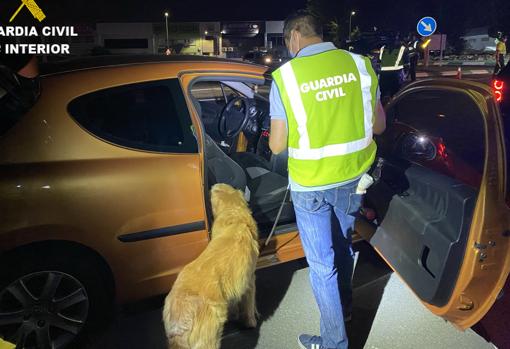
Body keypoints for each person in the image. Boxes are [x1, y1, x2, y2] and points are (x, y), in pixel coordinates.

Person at [268, 10, 386, 349]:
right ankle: (345, 311)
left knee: (322, 266)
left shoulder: (286, 77)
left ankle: (335, 343)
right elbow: (379, 126)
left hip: (310, 186)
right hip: (353, 179)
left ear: (293, 37)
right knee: (343, 246)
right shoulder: (362, 66)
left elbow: (276, 145)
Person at [379, 34, 408, 102]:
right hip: (386, 75)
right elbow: (380, 60)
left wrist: (405, 75)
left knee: (394, 96)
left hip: (395, 75)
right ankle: (384, 110)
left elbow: (407, 64)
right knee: (384, 96)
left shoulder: (402, 49)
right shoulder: (383, 48)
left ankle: (393, 110)